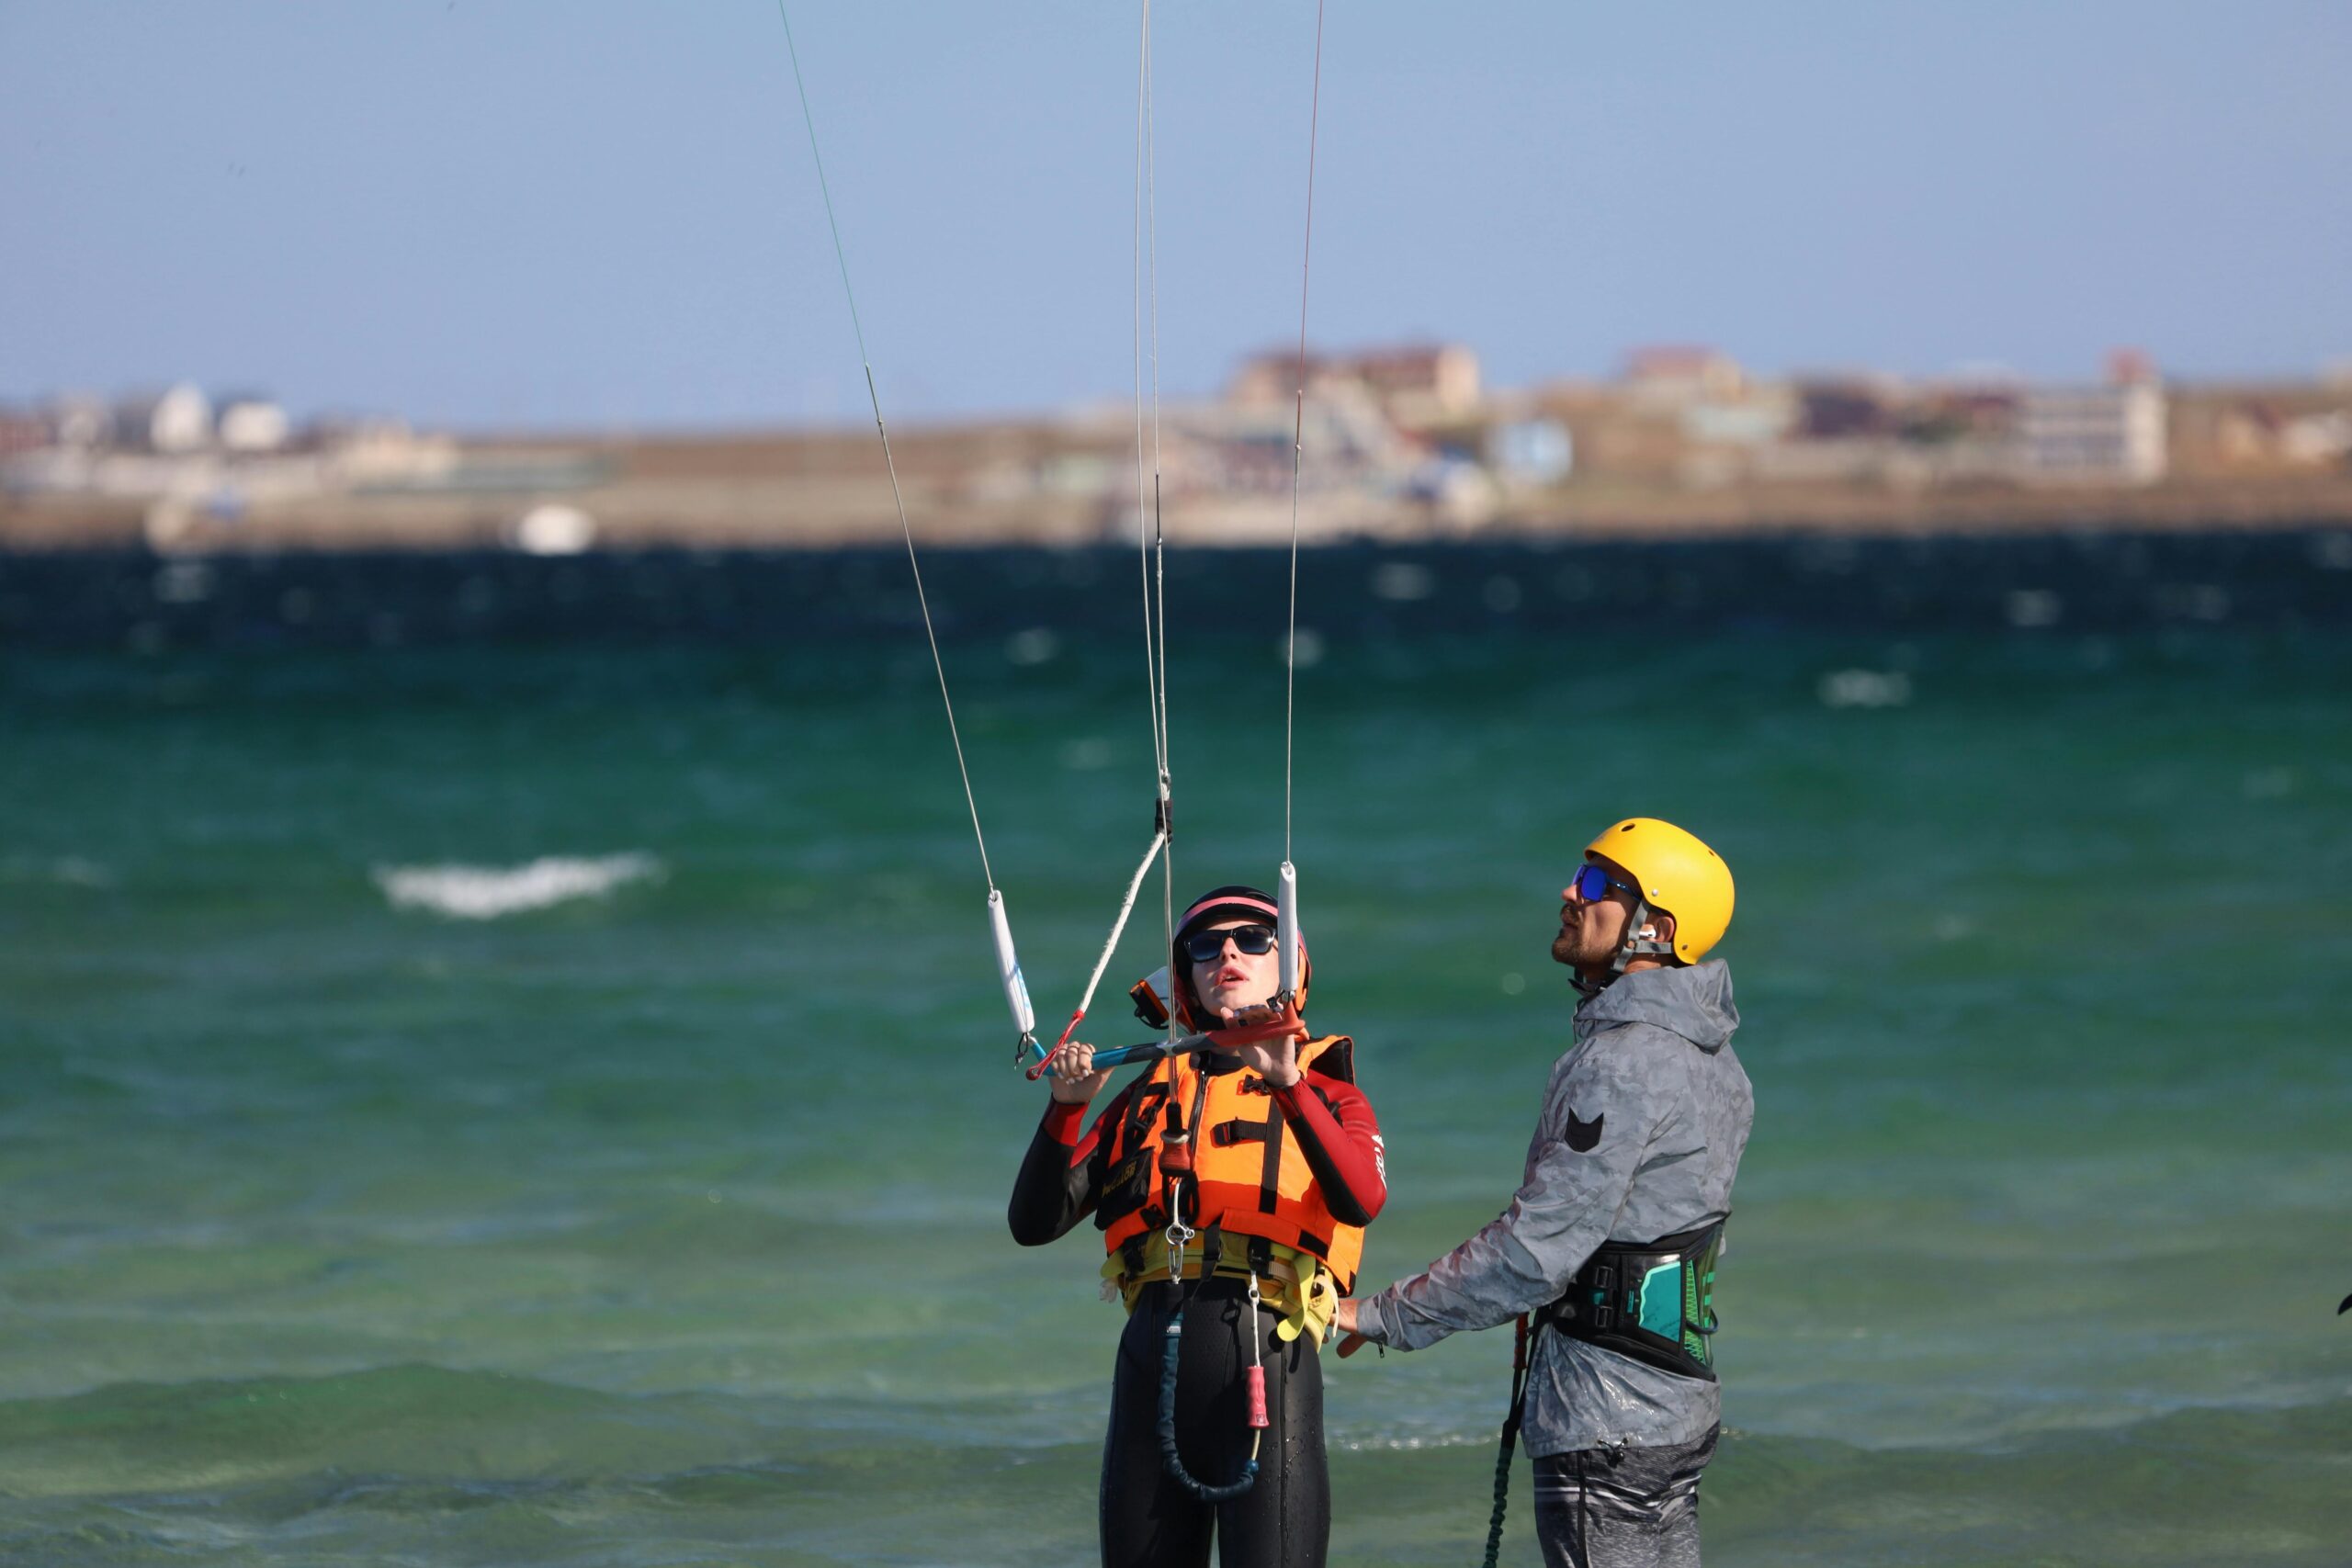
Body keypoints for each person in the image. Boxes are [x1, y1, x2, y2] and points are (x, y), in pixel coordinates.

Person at [1335, 818, 1753, 1568]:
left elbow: (1535, 1252)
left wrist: (1382, 1313)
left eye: (1598, 885)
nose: (1570, 892)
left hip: (1608, 1422)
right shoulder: (1718, 1064)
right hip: (1678, 1409)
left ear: (1654, 928)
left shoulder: (1622, 1064)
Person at [1010, 884, 1387, 1568]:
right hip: (1149, 1363)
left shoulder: (1327, 1088)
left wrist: (1287, 1084)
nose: (1229, 953)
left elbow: (1361, 1197)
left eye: (1251, 939)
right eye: (1206, 945)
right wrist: (1067, 1109)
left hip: (1268, 1360)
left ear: (1290, 964)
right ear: (1185, 976)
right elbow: (1033, 1223)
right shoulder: (1142, 1094)